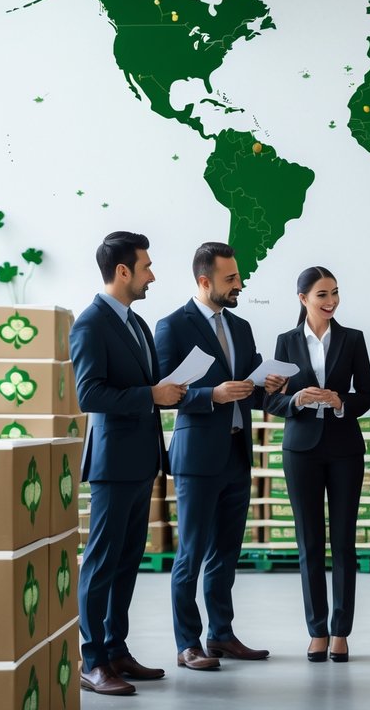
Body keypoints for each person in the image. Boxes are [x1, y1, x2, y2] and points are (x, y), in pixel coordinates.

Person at [154, 241, 287, 671]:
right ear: (204, 280)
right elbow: (164, 395)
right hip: (196, 457)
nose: (239, 285)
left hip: (235, 452)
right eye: (231, 279)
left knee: (226, 553)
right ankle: (187, 642)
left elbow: (244, 391)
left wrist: (268, 386)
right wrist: (211, 394)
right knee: (191, 553)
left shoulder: (242, 327)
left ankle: (222, 635)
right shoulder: (171, 326)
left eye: (239, 277)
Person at [71, 231, 185, 696]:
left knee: (126, 561)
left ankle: (116, 649)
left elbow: (149, 385)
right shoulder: (90, 324)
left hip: (141, 462)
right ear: (123, 272)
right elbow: (89, 394)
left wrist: (172, 387)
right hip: (112, 462)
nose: (152, 275)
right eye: (146, 266)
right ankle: (92, 660)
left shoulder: (136, 324)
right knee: (101, 562)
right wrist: (151, 395)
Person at [264, 267, 370, 663]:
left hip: (345, 448)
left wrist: (340, 401)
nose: (331, 302)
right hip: (301, 450)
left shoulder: (353, 339)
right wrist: (297, 400)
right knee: (309, 541)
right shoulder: (286, 341)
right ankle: (317, 631)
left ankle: (341, 630)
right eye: (322, 295)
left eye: (335, 294)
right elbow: (269, 400)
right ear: (303, 298)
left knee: (343, 542)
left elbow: (369, 395)